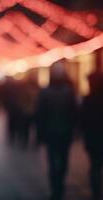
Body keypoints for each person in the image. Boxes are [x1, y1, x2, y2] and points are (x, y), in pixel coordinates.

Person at [35, 60, 76, 200]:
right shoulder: (69, 91)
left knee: (53, 161)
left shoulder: (45, 92)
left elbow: (40, 115)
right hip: (64, 132)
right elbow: (73, 113)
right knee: (63, 161)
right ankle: (59, 185)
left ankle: (55, 187)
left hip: (51, 133)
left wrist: (39, 134)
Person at [80, 58, 103, 200]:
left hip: (93, 138)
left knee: (94, 165)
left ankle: (96, 190)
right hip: (97, 136)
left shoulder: (88, 99)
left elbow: (82, 120)